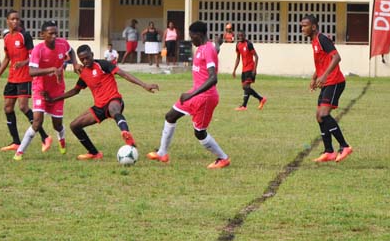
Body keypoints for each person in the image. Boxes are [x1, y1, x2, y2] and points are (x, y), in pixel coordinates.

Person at [46, 45, 159, 160]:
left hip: (113, 100)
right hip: (99, 107)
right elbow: (75, 90)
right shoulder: (83, 73)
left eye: (87, 58)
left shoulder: (103, 64)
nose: (85, 61)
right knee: (74, 126)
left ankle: (126, 134)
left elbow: (123, 74)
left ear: (92, 55)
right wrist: (53, 99)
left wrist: (144, 85)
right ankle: (94, 153)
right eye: (82, 59)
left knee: (114, 110)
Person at [147, 21, 231, 169]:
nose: (191, 40)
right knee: (170, 116)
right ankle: (162, 153)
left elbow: (213, 78)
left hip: (206, 97)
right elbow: (215, 48)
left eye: (192, 37)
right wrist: (219, 43)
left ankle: (223, 158)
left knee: (199, 133)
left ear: (199, 35)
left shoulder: (207, 50)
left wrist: (191, 95)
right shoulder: (205, 47)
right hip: (195, 94)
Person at [12, 20, 79, 161]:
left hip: (57, 88)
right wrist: (51, 69)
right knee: (37, 122)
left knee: (57, 124)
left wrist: (75, 63)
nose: (54, 36)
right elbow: (31, 71)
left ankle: (62, 140)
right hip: (40, 89)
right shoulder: (38, 50)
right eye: (51, 34)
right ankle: (19, 152)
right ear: (43, 35)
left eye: (56, 33)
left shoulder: (62, 43)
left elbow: (71, 51)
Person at [0, 10, 52, 152]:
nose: (15, 21)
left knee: (23, 107)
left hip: (25, 77)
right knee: (7, 107)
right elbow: (7, 58)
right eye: (12, 19)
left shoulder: (25, 36)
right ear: (7, 20)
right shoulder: (6, 38)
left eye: (17, 19)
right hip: (12, 77)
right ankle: (16, 142)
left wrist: (23, 63)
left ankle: (45, 137)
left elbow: (33, 56)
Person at [300, 14, 353, 163]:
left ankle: (344, 146)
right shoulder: (314, 41)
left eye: (305, 25)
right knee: (319, 116)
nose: (302, 28)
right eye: (302, 25)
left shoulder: (323, 39)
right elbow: (322, 62)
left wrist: (324, 76)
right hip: (326, 82)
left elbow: (337, 57)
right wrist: (314, 77)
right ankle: (329, 151)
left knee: (323, 114)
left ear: (314, 26)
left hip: (335, 81)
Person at [232, 31, 267, 111]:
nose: (240, 37)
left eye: (242, 35)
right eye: (239, 35)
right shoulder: (238, 45)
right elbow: (238, 58)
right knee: (245, 87)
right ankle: (259, 100)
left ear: (245, 36)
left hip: (250, 68)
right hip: (244, 69)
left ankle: (246, 105)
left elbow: (256, 56)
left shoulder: (249, 44)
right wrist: (234, 69)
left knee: (246, 87)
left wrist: (254, 70)